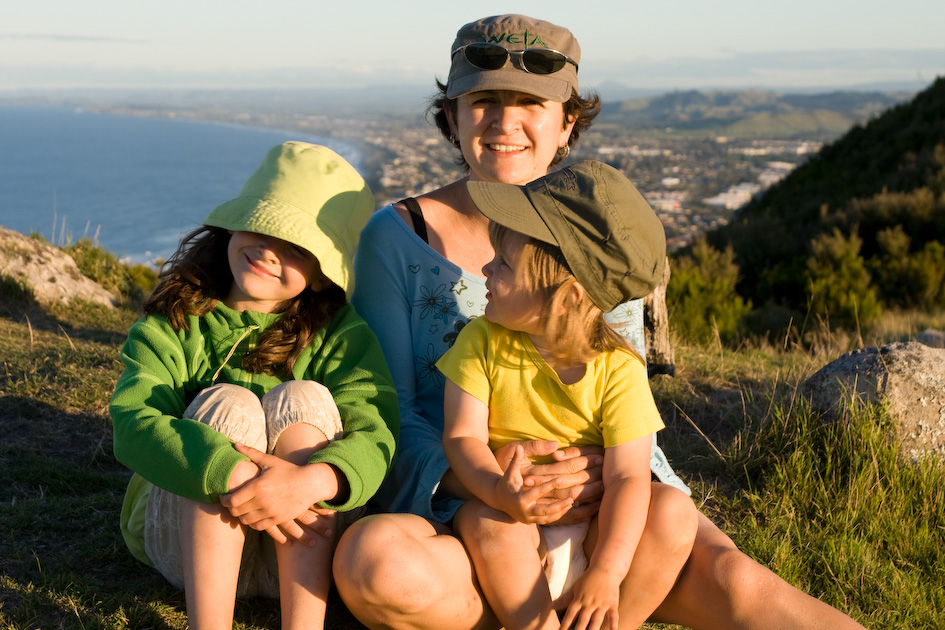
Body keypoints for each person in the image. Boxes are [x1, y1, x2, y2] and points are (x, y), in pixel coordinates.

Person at [335, 13, 867, 630]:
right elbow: (386, 413)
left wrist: (593, 482)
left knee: (737, 580)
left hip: (609, 507)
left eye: (530, 102)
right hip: (466, 517)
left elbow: (618, 388)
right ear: (452, 117)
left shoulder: (598, 239)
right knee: (378, 566)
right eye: (484, 100)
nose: (505, 121)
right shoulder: (396, 239)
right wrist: (492, 482)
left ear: (566, 125)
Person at [111, 141, 399, 630]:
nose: (269, 250)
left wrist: (312, 481)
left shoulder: (341, 335)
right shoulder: (178, 320)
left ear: (321, 274)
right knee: (229, 403)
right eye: (262, 226)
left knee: (302, 397)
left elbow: (377, 431)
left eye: (296, 246)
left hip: (306, 542)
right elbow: (133, 422)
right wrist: (228, 472)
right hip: (191, 549)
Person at [440, 161, 700, 630]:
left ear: (569, 296)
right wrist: (499, 492)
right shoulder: (480, 341)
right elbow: (463, 439)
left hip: (593, 528)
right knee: (485, 522)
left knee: (675, 513)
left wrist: (606, 571)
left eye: (504, 264)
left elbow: (628, 478)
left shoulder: (619, 369)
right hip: (509, 523)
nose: (485, 269)